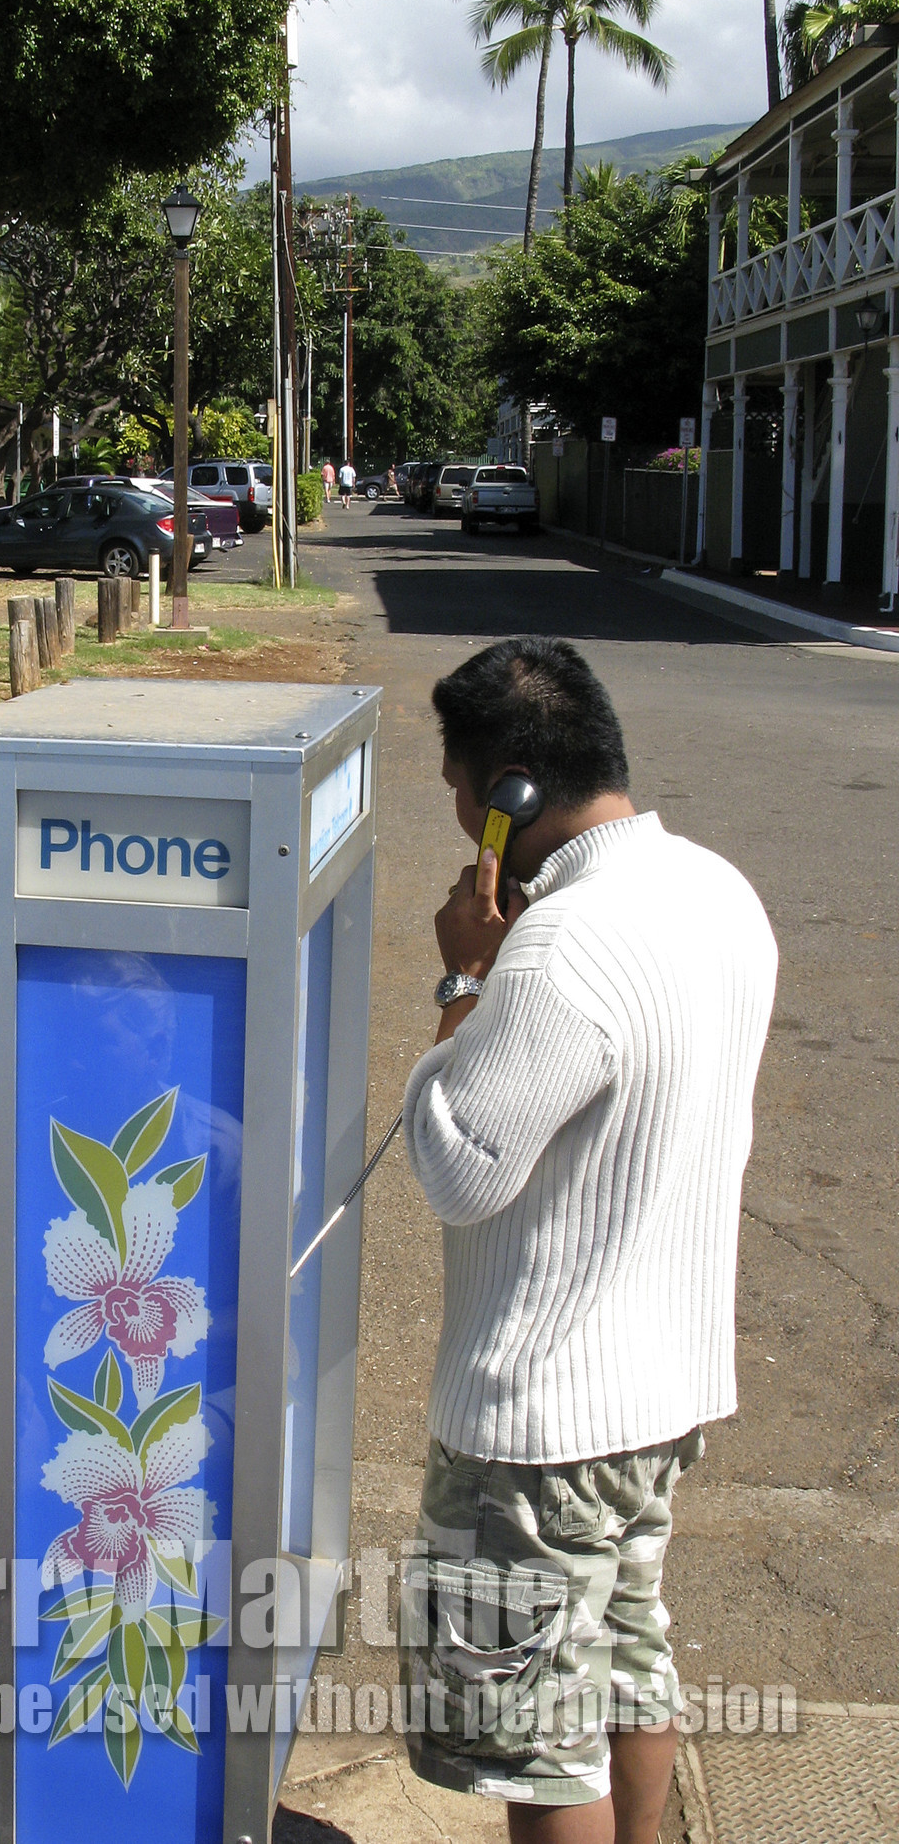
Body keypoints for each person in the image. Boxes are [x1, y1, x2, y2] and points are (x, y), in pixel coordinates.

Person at [399, 636, 776, 1844]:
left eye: (456, 785)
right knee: (626, 1662)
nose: (455, 811)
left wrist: (463, 981)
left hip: (541, 1423)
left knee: (535, 1742)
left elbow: (457, 1168)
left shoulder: (560, 947)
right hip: (659, 1396)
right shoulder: (715, 888)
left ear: (503, 793)